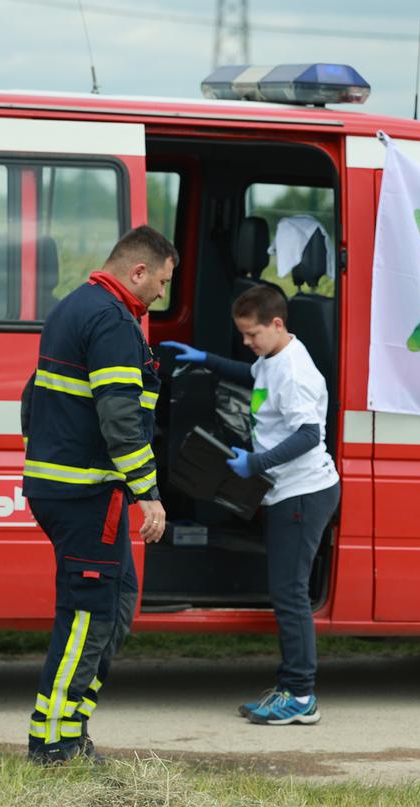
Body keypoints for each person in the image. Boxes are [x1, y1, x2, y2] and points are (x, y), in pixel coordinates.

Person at [20, 225, 176, 764]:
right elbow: (120, 415)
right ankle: (54, 745)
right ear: (137, 272)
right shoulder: (111, 320)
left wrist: (43, 457)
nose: (161, 293)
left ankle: (72, 727)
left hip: (67, 487)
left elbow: (31, 396)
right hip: (86, 495)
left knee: (116, 604)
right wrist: (148, 492)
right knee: (88, 615)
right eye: (160, 281)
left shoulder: (74, 307)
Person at [161, 284, 340, 725]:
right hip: (284, 491)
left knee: (290, 594)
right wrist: (207, 361)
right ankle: (291, 687)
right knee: (286, 592)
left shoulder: (296, 372)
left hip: (302, 493)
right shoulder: (273, 359)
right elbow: (253, 376)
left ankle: (300, 696)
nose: (246, 343)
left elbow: (308, 435)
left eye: (251, 335)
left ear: (277, 324)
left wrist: (255, 462)